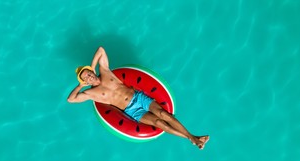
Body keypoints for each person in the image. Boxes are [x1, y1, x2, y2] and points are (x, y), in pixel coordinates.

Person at [67, 47, 209, 149]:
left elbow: (101, 50)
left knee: (164, 114)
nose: (89, 77)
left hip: (138, 97)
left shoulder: (105, 72)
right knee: (160, 123)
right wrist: (80, 85)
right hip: (131, 111)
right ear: (85, 81)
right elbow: (71, 99)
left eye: (89, 73)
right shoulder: (92, 94)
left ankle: (193, 138)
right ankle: (193, 138)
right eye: (86, 78)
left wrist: (91, 67)